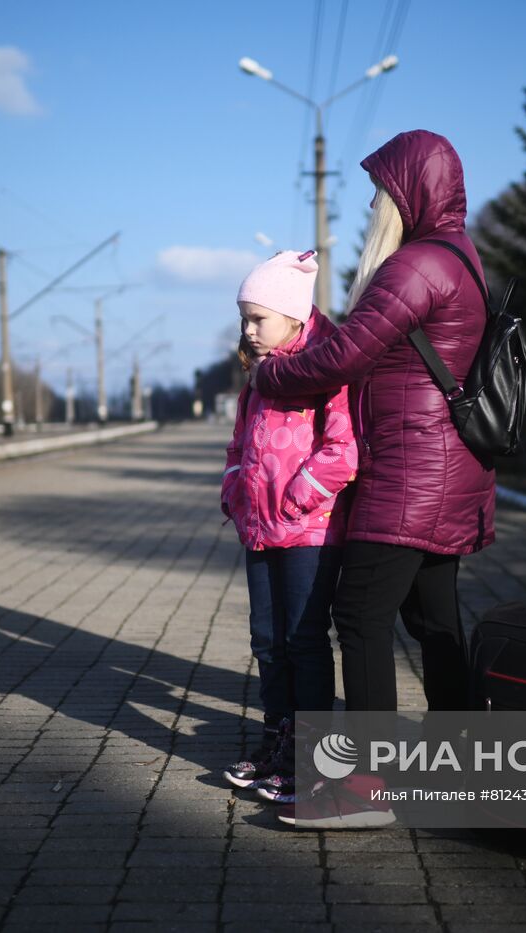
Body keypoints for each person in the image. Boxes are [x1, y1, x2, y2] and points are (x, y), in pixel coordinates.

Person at [250, 130, 496, 829]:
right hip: (449, 470)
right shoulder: (461, 256)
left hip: (410, 472)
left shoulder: (415, 264)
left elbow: (341, 360)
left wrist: (271, 374)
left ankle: (359, 791)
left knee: (359, 617)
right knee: (434, 621)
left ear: (408, 190)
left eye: (380, 189)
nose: (372, 203)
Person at [219, 249, 358, 805]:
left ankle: (312, 753)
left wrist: (299, 498)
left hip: (308, 532)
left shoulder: (325, 369)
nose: (249, 330)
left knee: (303, 640)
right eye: (244, 319)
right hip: (258, 528)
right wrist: (235, 489)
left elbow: (342, 449)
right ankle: (277, 738)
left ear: (295, 318)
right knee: (266, 640)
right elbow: (238, 444)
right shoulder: (256, 379)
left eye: (260, 319)